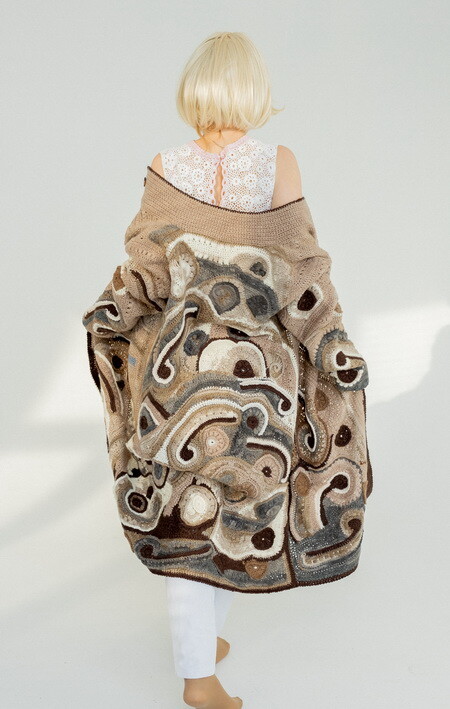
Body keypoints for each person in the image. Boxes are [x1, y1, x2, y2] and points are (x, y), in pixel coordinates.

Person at [148, 32, 302, 709]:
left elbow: (148, 270)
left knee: (193, 503)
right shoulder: (277, 162)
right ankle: (197, 679)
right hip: (253, 368)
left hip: (179, 363)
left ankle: (201, 642)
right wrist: (328, 340)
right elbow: (300, 265)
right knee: (240, 499)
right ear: (253, 89)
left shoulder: (165, 165)